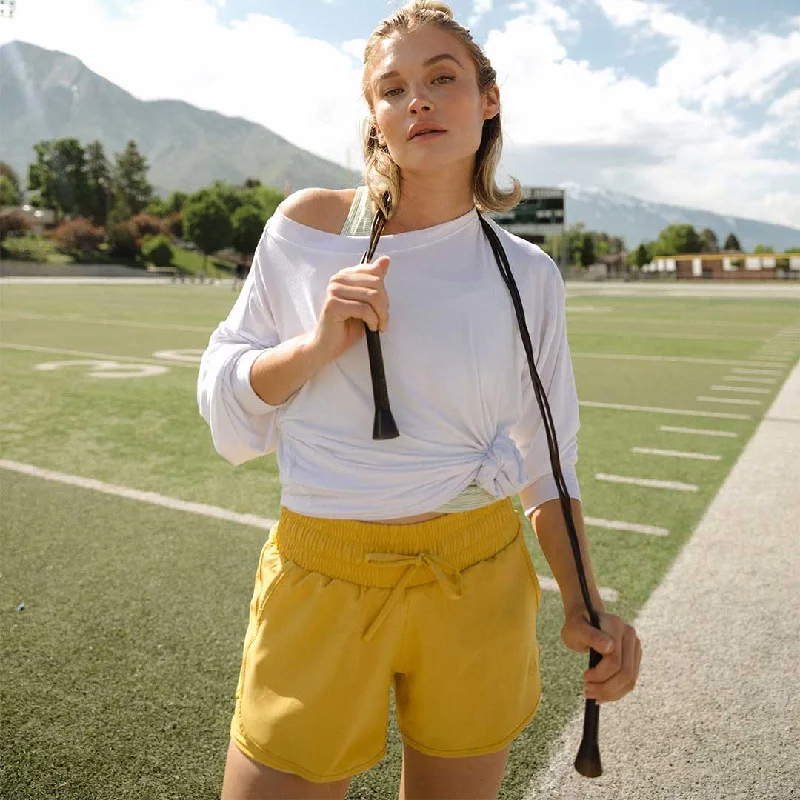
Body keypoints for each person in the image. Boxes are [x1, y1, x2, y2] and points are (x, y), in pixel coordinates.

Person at [198, 2, 641, 798]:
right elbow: (224, 395)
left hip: (479, 575)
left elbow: (548, 457)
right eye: (393, 89)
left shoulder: (527, 272)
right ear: (374, 117)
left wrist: (583, 602)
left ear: (488, 99)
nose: (419, 102)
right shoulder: (308, 228)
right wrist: (315, 345)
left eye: (442, 79)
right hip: (323, 575)